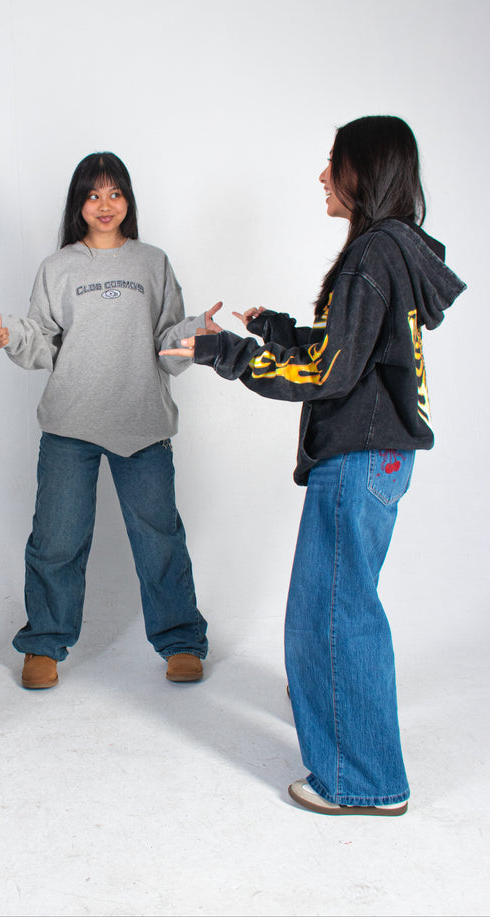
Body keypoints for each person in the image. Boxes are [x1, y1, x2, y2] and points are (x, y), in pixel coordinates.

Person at [161, 116, 466, 815]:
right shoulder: (395, 249)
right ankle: (356, 752)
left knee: (331, 615)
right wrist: (271, 328)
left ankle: (363, 781)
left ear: (364, 171)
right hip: (379, 455)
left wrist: (222, 353)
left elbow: (327, 371)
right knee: (344, 609)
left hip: (357, 457)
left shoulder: (371, 256)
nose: (323, 175)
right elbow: (353, 351)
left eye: (334, 162)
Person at [0, 151, 217, 689]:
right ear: (78, 204)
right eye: (92, 195)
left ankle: (180, 640)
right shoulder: (58, 267)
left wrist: (195, 331)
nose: (104, 205)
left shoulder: (152, 262)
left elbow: (165, 339)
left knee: (160, 539)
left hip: (142, 422)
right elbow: (41, 340)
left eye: (114, 194)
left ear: (128, 200)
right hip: (71, 423)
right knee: (57, 540)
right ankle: (44, 642)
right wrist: (11, 333)